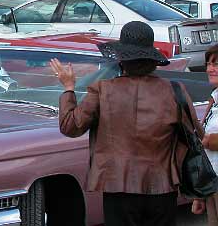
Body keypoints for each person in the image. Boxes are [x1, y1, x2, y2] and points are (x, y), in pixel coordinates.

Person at [51, 21, 197, 226]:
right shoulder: (174, 90)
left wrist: (68, 88)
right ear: (151, 60)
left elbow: (70, 126)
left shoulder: (102, 90)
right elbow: (192, 138)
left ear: (121, 59)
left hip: (117, 186)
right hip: (162, 186)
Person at [193, 44, 218, 223]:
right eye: (209, 64)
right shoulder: (214, 98)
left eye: (216, 64)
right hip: (212, 183)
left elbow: (206, 141)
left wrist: (211, 141)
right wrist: (199, 194)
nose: (210, 69)